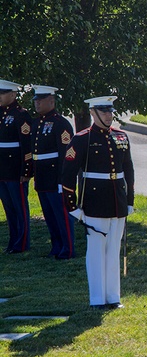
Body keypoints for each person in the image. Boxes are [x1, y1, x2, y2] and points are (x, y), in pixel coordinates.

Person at [60, 96, 134, 309]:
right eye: (104, 111)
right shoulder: (82, 139)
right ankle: (97, 299)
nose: (109, 115)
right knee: (96, 252)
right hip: (95, 201)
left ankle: (113, 297)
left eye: (110, 111)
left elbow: (128, 170)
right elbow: (68, 174)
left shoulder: (121, 136)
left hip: (117, 201)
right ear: (93, 113)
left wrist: (129, 200)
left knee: (113, 250)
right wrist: (72, 206)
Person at [28, 85, 75, 259]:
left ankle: (68, 248)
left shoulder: (60, 123)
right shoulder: (37, 123)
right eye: (36, 101)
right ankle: (56, 246)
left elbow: (65, 155)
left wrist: (63, 181)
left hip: (56, 177)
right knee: (50, 216)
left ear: (51, 101)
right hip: (42, 177)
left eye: (40, 100)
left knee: (62, 215)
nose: (37, 104)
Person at [0, 79, 32, 254]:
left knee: (20, 208)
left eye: (3, 93)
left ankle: (22, 242)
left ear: (13, 94)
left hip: (15, 171)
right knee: (9, 208)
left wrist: (26, 171)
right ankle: (13, 241)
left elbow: (26, 146)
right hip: (2, 171)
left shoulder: (21, 115)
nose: (0, 96)